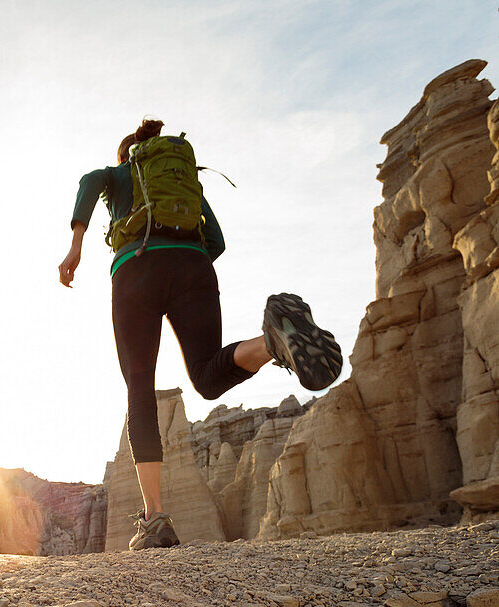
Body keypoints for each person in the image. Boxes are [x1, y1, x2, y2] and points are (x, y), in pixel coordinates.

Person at [60, 119, 342, 550]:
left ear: (127, 155)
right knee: (208, 376)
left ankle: (154, 518)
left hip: (135, 268)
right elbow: (217, 241)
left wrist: (77, 245)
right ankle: (271, 340)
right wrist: (187, 266)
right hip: (195, 265)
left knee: (140, 385)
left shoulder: (118, 173)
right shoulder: (185, 186)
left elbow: (87, 182)